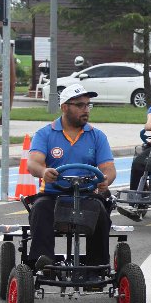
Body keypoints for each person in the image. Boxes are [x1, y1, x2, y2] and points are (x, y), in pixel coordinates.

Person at [26, 84, 117, 271]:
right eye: (80, 105)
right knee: (40, 209)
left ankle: (96, 268)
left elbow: (109, 169)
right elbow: (33, 163)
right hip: (53, 195)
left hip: (85, 195)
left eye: (88, 105)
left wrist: (105, 180)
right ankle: (44, 263)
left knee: (101, 212)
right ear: (65, 107)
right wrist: (44, 172)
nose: (86, 110)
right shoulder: (45, 134)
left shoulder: (97, 136)